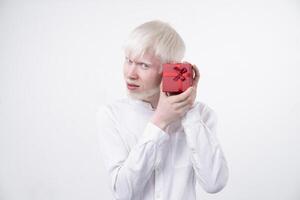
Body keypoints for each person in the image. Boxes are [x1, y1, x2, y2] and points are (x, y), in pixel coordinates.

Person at [96, 20, 229, 200]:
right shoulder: (112, 116)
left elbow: (214, 183)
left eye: (144, 65)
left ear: (171, 68)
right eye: (128, 61)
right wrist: (159, 121)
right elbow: (123, 192)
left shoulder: (200, 115)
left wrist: (188, 110)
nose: (130, 73)